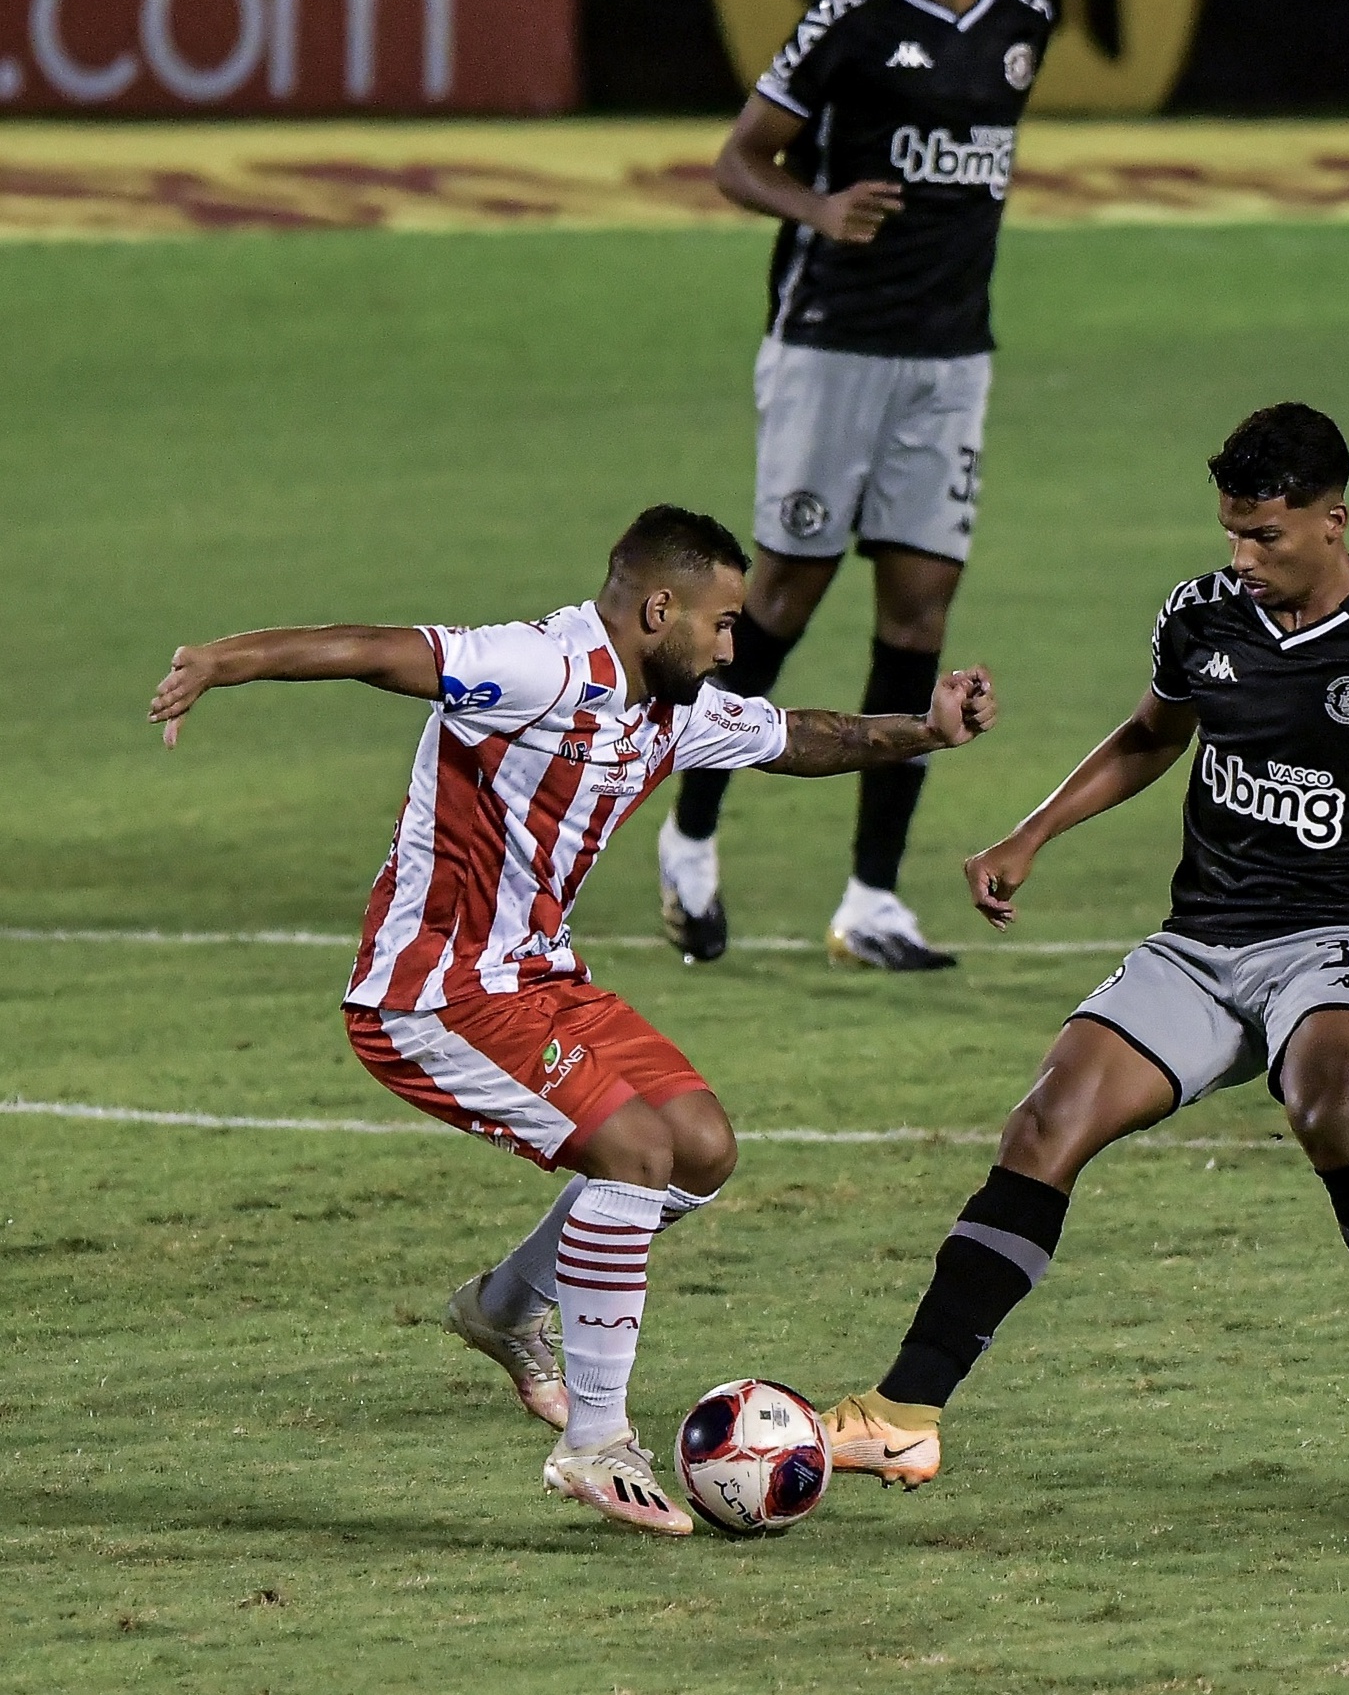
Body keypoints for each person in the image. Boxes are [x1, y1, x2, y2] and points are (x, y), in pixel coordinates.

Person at [814, 405, 1349, 1506]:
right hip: (1203, 937)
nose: (1240, 558)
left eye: (1264, 536)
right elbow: (1147, 735)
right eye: (1230, 532)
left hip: (1348, 938)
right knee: (1043, 1123)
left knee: (1330, 1109)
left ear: (1333, 521)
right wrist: (1028, 833)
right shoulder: (1201, 616)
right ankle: (904, 1411)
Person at [148, 506, 999, 1536]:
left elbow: (800, 736)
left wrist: (927, 728)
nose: (733, 643)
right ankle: (595, 1438)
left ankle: (504, 1306)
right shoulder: (539, 668)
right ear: (658, 607)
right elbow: (378, 650)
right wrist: (217, 661)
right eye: (723, 622)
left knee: (700, 1149)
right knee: (634, 1150)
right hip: (433, 992)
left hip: (542, 980)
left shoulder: (672, 706)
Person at [658, 0, 1055, 973]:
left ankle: (871, 897)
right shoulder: (847, 17)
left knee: (919, 617)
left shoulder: (1026, 21)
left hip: (950, 360)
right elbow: (739, 159)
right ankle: (688, 835)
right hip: (830, 345)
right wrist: (821, 209)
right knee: (781, 599)